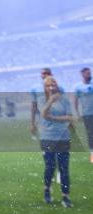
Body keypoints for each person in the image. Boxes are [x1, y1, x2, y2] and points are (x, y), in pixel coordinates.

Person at [34, 76, 74, 207]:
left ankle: (65, 196)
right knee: (50, 166)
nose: (51, 87)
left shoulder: (64, 100)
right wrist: (51, 100)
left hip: (63, 137)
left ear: (56, 85)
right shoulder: (41, 99)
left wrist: (54, 117)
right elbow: (44, 114)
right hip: (47, 137)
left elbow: (70, 117)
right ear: (45, 87)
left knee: (64, 168)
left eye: (53, 85)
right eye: (48, 85)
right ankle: (47, 189)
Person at [74, 66, 93, 164]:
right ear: (82, 74)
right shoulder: (78, 87)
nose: (89, 74)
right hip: (87, 114)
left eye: (90, 73)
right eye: (87, 73)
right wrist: (77, 113)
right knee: (91, 135)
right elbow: (75, 101)